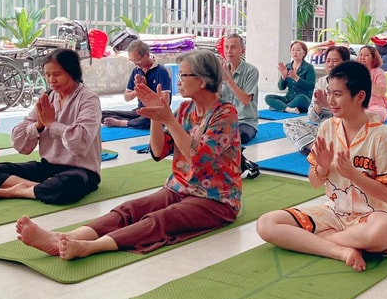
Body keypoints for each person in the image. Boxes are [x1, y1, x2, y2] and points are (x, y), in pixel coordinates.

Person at [15, 49, 241, 260]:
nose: (178, 81)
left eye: (183, 75)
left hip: (215, 199)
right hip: (179, 188)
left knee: (160, 219)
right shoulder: (185, 109)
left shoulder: (225, 113)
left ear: (202, 81)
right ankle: (65, 237)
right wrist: (155, 115)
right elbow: (159, 151)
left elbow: (198, 160)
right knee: (131, 208)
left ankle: (90, 247)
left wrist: (168, 120)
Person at [256, 60, 387, 272]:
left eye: (338, 94)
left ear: (360, 96)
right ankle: (341, 250)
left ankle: (324, 239)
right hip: (335, 211)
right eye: (329, 93)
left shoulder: (380, 136)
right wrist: (323, 168)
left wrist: (354, 175)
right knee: (266, 224)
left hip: (372, 216)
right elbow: (315, 183)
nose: (330, 100)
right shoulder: (327, 128)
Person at [0, 49, 102, 204]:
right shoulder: (48, 98)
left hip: (81, 171)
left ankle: (23, 190)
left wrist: (51, 124)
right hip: (48, 168)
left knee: (68, 184)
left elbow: (80, 141)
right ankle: (37, 188)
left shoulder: (89, 99)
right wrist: (39, 125)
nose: (51, 80)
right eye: (47, 75)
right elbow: (19, 138)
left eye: (57, 74)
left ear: (72, 72)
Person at [283, 45, 350, 155]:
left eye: (335, 61)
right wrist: (318, 106)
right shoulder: (322, 82)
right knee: (289, 123)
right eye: (328, 61)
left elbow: (351, 117)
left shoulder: (351, 83)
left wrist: (329, 106)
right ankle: (314, 147)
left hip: (344, 130)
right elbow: (312, 118)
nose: (330, 64)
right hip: (323, 129)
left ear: (345, 63)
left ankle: (323, 148)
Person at [218, 33, 261, 179]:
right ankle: (244, 163)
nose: (229, 51)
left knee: (230, 137)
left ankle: (244, 165)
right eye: (227, 47)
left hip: (246, 123)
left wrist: (228, 79)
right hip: (224, 121)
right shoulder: (221, 70)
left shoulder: (251, 71)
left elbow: (245, 100)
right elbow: (216, 99)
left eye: (234, 47)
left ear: (243, 51)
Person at [101, 40, 171, 129]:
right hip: (140, 111)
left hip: (155, 112)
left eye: (137, 60)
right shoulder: (136, 70)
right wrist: (137, 90)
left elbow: (165, 103)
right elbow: (126, 97)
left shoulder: (161, 71)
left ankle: (123, 123)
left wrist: (145, 88)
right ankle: (133, 122)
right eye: (132, 60)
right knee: (103, 114)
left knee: (149, 119)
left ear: (147, 55)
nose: (135, 63)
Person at [264, 40, 316, 113]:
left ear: (304, 53)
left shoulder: (309, 67)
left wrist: (297, 78)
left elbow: (310, 87)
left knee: (301, 98)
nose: (295, 52)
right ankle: (288, 109)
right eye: (293, 50)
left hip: (303, 99)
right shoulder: (287, 67)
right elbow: (281, 87)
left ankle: (280, 107)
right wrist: (283, 76)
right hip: (288, 98)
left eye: (298, 50)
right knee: (268, 97)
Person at [357, 45, 387, 123]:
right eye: (360, 55)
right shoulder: (355, 71)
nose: (362, 57)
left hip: (375, 106)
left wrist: (367, 80)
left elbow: (381, 92)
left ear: (373, 58)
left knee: (377, 114)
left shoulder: (379, 72)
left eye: (366, 55)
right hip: (357, 106)